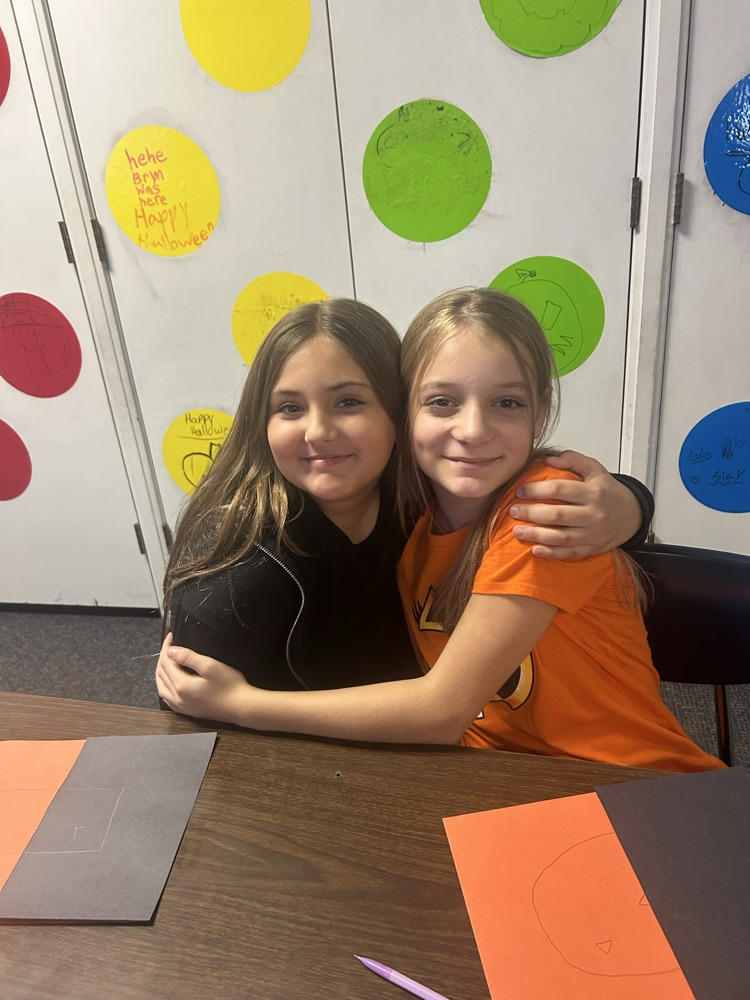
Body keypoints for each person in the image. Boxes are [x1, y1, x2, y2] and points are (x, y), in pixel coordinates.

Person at [156, 290, 721, 771]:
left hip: (630, 784)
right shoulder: (413, 515)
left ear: (541, 410)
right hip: (494, 777)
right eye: (443, 401)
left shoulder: (538, 515)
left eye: (506, 402)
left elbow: (441, 709)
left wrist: (242, 703)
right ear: (409, 414)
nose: (472, 430)